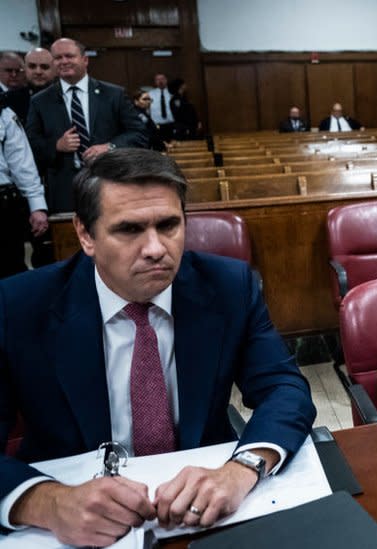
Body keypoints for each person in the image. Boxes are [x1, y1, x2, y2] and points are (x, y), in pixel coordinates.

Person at [0, 148, 315, 546]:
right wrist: (44, 502)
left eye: (168, 225)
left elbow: (284, 389)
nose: (155, 248)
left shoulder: (228, 285)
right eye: (129, 230)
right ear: (85, 234)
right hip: (70, 523)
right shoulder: (19, 305)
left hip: (198, 514)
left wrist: (241, 469)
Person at [25, 38, 145, 213]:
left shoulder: (113, 94)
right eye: (58, 58)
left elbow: (139, 133)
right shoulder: (40, 101)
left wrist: (110, 146)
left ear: (85, 60)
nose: (64, 61)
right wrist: (56, 146)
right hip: (65, 190)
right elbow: (30, 144)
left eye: (69, 56)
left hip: (112, 182)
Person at [0, 104, 48, 279]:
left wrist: (37, 206)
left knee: (10, 274)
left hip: (3, 206)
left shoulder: (3, 112)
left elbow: (21, 162)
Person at [148, 73, 175, 141]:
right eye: (158, 79)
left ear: (166, 80)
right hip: (157, 125)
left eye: (162, 79)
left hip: (171, 125)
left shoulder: (172, 93)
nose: (160, 81)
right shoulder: (150, 94)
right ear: (155, 82)